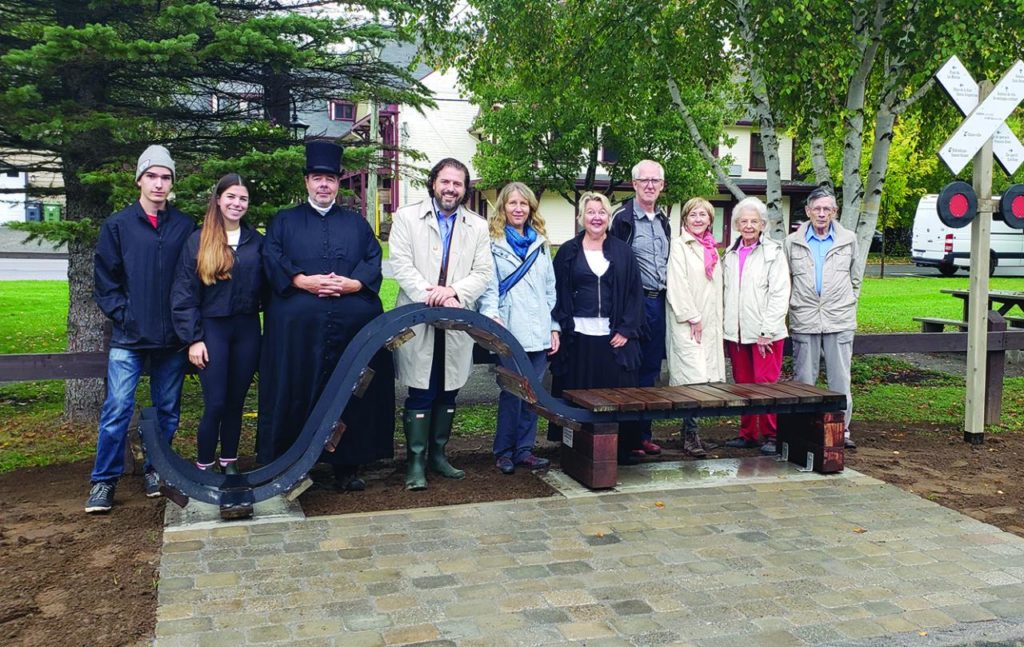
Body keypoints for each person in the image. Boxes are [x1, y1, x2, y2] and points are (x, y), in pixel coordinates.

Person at [257, 141, 394, 491]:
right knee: (297, 390)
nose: (324, 185)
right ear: (306, 182)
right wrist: (301, 280)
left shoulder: (356, 224)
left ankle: (347, 463)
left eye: (330, 180)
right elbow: (272, 257)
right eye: (317, 178)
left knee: (351, 389)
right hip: (299, 335)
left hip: (348, 330)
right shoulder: (284, 221)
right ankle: (290, 463)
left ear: (337, 183)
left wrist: (352, 284)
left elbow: (371, 260)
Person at [86, 145, 195, 513]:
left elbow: (193, 278)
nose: (159, 184)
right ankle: (104, 481)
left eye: (166, 177)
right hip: (129, 338)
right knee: (117, 407)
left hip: (172, 340)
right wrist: (125, 315)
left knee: (167, 409)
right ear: (139, 180)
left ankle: (157, 470)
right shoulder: (117, 226)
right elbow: (105, 282)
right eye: (152, 176)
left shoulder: (183, 226)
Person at [390, 158, 493, 490]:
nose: (451, 188)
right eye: (445, 182)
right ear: (433, 182)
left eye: (458, 184)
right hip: (417, 317)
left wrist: (453, 293)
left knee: (449, 389)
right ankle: (415, 462)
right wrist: (431, 294)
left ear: (465, 189)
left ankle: (438, 455)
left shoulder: (477, 226)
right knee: (420, 389)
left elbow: (483, 273)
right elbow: (402, 266)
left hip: (456, 317)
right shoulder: (407, 218)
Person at [171, 173, 263, 474]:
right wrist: (193, 338)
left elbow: (273, 284)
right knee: (216, 403)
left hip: (247, 329)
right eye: (231, 197)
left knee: (237, 401)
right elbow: (184, 293)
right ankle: (204, 465)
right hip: (212, 330)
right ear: (219, 199)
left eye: (243, 198)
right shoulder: (199, 240)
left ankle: (230, 463)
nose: (237, 204)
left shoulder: (256, 242)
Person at [549, 192, 645, 465]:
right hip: (577, 338)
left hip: (614, 339)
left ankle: (619, 450)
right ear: (582, 217)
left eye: (601, 212)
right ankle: (575, 449)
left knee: (616, 396)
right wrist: (558, 327)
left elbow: (634, 294)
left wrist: (626, 329)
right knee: (577, 396)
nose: (596, 217)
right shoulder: (568, 251)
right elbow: (556, 292)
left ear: (608, 217)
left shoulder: (623, 252)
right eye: (590, 212)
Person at [478, 182, 559, 475]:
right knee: (512, 393)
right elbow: (487, 288)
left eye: (523, 204)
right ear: (503, 207)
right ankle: (503, 451)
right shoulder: (492, 243)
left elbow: (550, 290)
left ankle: (524, 449)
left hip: (538, 331)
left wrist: (553, 327)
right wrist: (492, 318)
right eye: (512, 203)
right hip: (508, 330)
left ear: (531, 208)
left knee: (532, 394)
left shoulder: (541, 244)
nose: (518, 209)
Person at [784, 186, 862, 449]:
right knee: (804, 379)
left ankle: (841, 432)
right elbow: (787, 279)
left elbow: (856, 278)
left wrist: (848, 302)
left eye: (826, 209)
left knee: (840, 380)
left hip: (838, 319)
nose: (821, 213)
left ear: (834, 211)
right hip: (804, 317)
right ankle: (808, 430)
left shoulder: (848, 239)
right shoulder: (792, 241)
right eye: (816, 209)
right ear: (807, 211)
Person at [722, 197, 791, 455]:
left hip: (765, 333)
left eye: (754, 221)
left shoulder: (773, 252)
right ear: (737, 224)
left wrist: (768, 331)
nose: (749, 226)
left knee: (766, 385)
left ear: (763, 224)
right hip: (737, 333)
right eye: (744, 221)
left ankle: (772, 434)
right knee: (742, 384)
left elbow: (780, 293)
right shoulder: (729, 254)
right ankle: (748, 433)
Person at [610, 160, 670, 457]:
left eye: (655, 181)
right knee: (628, 370)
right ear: (633, 184)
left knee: (650, 370)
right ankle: (626, 439)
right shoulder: (622, 219)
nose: (649, 185)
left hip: (659, 302)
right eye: (644, 180)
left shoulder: (664, 219)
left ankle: (643, 434)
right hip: (633, 304)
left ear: (662, 185)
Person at [666, 197, 725, 457]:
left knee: (704, 380)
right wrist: (692, 316)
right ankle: (690, 433)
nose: (698, 219)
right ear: (685, 219)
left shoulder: (712, 248)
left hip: (709, 323)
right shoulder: (679, 246)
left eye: (703, 215)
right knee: (691, 379)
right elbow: (677, 284)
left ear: (710, 220)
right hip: (688, 322)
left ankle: (693, 430)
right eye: (693, 215)